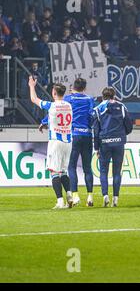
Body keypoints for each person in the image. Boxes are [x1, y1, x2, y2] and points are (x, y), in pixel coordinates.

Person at [46, 78, 95, 207]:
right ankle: (90, 197)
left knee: (71, 167)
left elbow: (55, 111)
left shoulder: (68, 99)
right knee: (87, 168)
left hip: (74, 136)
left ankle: (75, 195)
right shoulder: (90, 99)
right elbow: (92, 115)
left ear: (73, 87)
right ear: (84, 88)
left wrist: (44, 122)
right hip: (87, 135)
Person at [28, 76, 73, 209]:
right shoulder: (69, 105)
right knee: (64, 171)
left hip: (56, 142)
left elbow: (34, 99)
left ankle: (60, 201)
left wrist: (32, 86)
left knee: (54, 172)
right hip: (68, 142)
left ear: (54, 93)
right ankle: (69, 195)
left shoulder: (51, 106)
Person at [93, 87, 133, 208]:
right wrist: (121, 134)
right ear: (114, 95)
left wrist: (96, 148)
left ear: (102, 96)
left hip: (104, 142)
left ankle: (105, 195)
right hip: (119, 142)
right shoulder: (121, 106)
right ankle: (115, 198)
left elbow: (96, 130)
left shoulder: (98, 108)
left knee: (103, 171)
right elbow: (129, 125)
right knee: (117, 171)